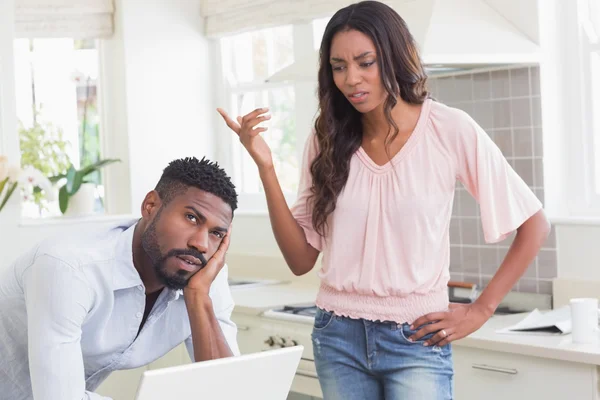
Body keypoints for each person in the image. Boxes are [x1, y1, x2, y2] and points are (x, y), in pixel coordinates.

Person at [217, 1, 550, 399]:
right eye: (339, 66)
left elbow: (534, 224)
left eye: (365, 62)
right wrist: (266, 168)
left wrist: (481, 310)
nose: (351, 79)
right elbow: (300, 259)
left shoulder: (448, 129)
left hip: (416, 338)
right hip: (336, 336)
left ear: (391, 56)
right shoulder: (327, 138)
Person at [0, 157, 240, 400]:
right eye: (191, 218)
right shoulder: (69, 268)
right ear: (150, 206)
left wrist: (198, 297)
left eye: (216, 233)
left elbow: (230, 393)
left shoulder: (202, 277)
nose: (200, 243)